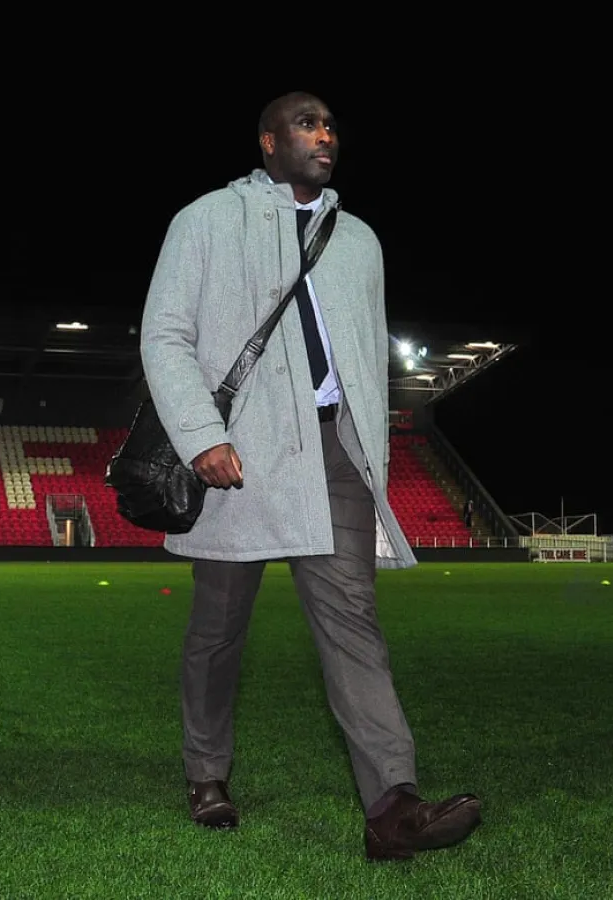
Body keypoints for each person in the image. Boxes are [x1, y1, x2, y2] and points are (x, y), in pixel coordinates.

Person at [138, 91, 481, 862]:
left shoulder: (359, 239)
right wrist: (201, 436)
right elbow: (163, 335)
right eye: (306, 124)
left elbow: (363, 359)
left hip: (336, 456)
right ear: (267, 141)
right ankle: (206, 773)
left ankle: (392, 807)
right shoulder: (206, 221)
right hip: (239, 458)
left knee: (354, 626)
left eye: (329, 126)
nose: (324, 135)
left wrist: (373, 446)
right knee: (219, 629)